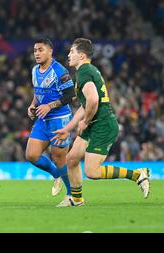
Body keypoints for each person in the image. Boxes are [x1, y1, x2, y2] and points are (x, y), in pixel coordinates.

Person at [52, 38, 150, 207]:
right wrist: (68, 128)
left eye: (72, 52)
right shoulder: (88, 71)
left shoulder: (84, 72)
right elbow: (85, 106)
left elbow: (93, 100)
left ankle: (137, 174)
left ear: (82, 56)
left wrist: (85, 122)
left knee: (92, 172)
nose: (69, 54)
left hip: (103, 124)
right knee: (72, 158)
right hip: (95, 123)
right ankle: (76, 199)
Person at [25, 38, 75, 203]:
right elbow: (38, 92)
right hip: (42, 119)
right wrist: (33, 105)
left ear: (50, 51)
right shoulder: (34, 70)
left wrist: (50, 106)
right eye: (35, 50)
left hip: (59, 120)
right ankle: (57, 175)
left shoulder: (60, 71)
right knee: (31, 155)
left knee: (59, 158)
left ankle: (72, 195)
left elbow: (70, 95)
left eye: (41, 50)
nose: (37, 53)